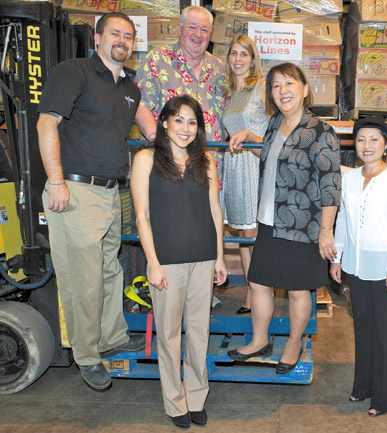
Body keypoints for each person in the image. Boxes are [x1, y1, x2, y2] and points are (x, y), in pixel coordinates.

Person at [36, 12, 145, 391]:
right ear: (97, 37)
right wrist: (56, 182)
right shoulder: (74, 72)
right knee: (83, 280)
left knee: (109, 270)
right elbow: (46, 123)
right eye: (115, 33)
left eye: (128, 36)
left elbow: (150, 127)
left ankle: (111, 336)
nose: (122, 40)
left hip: (112, 193)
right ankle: (86, 355)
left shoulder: (130, 88)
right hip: (75, 190)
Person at [226, 63, 341, 374]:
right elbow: (272, 155)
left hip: (303, 226)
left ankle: (294, 341)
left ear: (304, 89)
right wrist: (250, 135)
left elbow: (331, 184)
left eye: (289, 83)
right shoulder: (275, 123)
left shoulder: (321, 131)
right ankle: (260, 340)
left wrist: (327, 231)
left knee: (297, 287)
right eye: (276, 86)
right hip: (268, 219)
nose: (282, 91)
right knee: (259, 281)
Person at [130, 95, 228, 428]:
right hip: (166, 261)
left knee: (199, 332)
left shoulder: (207, 162)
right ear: (165, 122)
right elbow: (141, 216)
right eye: (179, 120)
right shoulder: (145, 160)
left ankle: (197, 396)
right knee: (169, 336)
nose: (185, 128)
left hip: (203, 258)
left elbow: (215, 211)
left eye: (192, 122)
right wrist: (152, 262)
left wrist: (219, 257)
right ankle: (175, 402)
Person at [134, 5, 226, 309]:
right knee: (171, 224)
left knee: (204, 222)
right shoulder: (158, 60)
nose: (198, 35)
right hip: (168, 162)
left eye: (204, 30)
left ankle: (201, 290)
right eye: (192, 28)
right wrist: (155, 138)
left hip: (209, 164)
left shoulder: (219, 67)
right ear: (179, 28)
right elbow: (139, 101)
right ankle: (165, 282)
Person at [330, 118, 387, 417]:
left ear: (386, 144)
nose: (367, 145)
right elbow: (343, 222)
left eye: (374, 139)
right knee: (362, 328)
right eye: (362, 139)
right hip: (356, 264)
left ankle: (384, 399)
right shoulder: (349, 179)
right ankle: (362, 386)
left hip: (385, 266)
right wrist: (337, 257)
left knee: (386, 334)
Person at [221, 35, 269, 315]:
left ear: (253, 60)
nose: (238, 59)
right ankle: (252, 292)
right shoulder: (228, 93)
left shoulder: (261, 88)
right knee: (242, 232)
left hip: (254, 165)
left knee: (253, 233)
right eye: (234, 54)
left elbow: (275, 129)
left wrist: (253, 137)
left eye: (244, 54)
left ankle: (260, 293)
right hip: (234, 165)